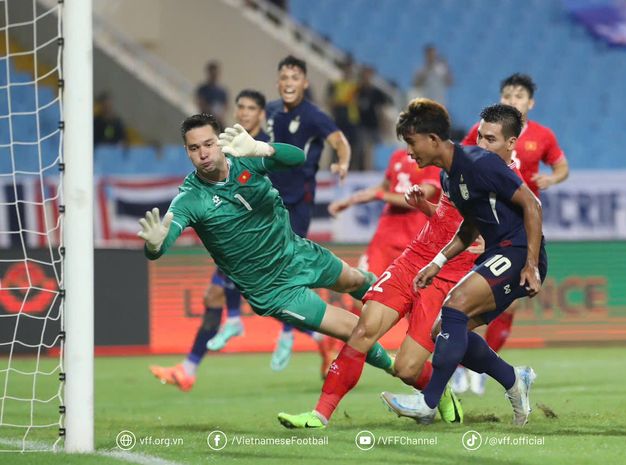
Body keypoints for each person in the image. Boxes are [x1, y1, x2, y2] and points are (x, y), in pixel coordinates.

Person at [276, 103, 522, 430]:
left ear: (510, 143)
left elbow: (502, 227)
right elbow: (450, 219)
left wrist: (523, 261)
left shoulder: (506, 182)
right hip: (414, 259)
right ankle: (319, 415)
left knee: (407, 368)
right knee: (364, 328)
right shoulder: (459, 167)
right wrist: (427, 207)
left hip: (449, 275)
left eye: (490, 139)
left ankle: (448, 391)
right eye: (479, 136)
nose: (481, 143)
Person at [139, 115, 394, 392]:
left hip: (297, 253)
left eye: (208, 144)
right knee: (352, 328)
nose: (203, 153)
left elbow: (298, 158)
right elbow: (160, 245)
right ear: (187, 152)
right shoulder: (190, 199)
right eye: (194, 148)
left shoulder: (245, 158)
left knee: (357, 280)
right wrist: (154, 245)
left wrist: (263, 148)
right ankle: (398, 368)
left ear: (219, 141)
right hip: (273, 290)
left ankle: (413, 313)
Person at [381, 100, 547, 426]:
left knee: (454, 306)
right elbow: (470, 227)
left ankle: (428, 403)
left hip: (518, 251)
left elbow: (533, 204)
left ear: (432, 139)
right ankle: (514, 379)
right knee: (444, 329)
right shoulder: (450, 178)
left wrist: (530, 264)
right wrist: (437, 262)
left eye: (412, 144)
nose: (410, 152)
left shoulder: (481, 164)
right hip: (496, 252)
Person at [148, 90, 270, 391]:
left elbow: (291, 168)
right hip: (235, 243)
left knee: (282, 301)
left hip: (262, 239)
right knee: (212, 297)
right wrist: (156, 243)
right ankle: (190, 367)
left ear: (261, 113)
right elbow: (163, 240)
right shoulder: (222, 151)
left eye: (250, 108)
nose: (244, 112)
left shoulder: (257, 146)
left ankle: (325, 340)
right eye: (240, 107)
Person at [459, 73, 568, 395]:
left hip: (521, 224)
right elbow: (460, 162)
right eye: (507, 95)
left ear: (530, 103)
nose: (512, 100)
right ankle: (464, 365)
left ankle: (481, 367)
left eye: (519, 96)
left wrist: (553, 179)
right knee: (465, 300)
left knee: (505, 304)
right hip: (487, 221)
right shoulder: (485, 132)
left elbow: (563, 167)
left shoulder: (543, 136)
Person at [265, 55, 352, 373]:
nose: (289, 82)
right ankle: (315, 336)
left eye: (295, 77)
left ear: (305, 83)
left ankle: (289, 332)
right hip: (269, 201)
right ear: (278, 82)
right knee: (264, 273)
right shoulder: (271, 112)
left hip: (298, 203)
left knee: (288, 271)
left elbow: (340, 142)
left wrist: (342, 162)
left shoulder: (314, 116)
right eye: (284, 76)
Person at [328, 147, 440, 278]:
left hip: (416, 236)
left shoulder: (433, 160)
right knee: (366, 283)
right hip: (386, 235)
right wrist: (349, 201)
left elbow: (417, 199)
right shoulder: (398, 155)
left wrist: (379, 195)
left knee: (413, 289)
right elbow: (383, 187)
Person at [356, 66, 392, 170]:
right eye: (365, 75)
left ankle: (374, 170)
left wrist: (384, 125)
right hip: (362, 125)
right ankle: (365, 170)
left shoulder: (377, 93)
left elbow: (381, 110)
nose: (367, 77)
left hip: (374, 125)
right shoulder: (358, 91)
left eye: (369, 75)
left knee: (376, 150)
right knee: (363, 150)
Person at [195, 61, 229, 126]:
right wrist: (209, 111)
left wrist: (220, 115)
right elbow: (200, 102)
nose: (214, 76)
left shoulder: (222, 92)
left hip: (218, 120)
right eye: (212, 74)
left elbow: (226, 105)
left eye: (215, 74)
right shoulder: (203, 89)